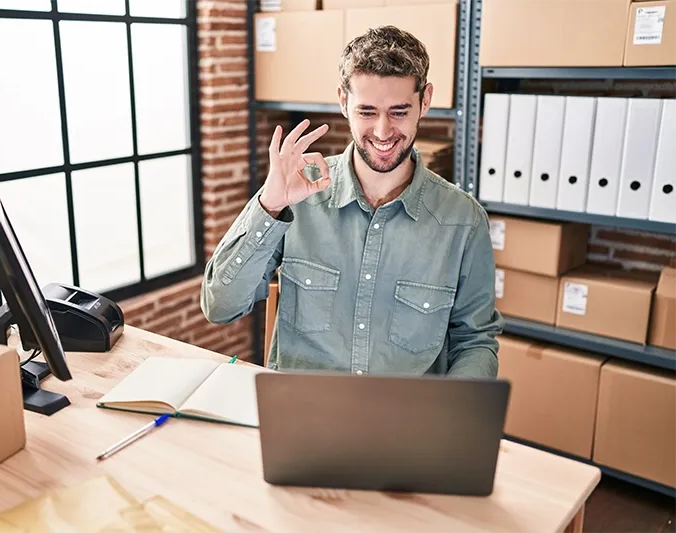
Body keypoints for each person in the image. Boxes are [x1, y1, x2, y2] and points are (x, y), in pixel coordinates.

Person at [200, 25, 503, 378]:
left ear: (426, 101)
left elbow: (475, 341)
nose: (383, 132)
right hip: (303, 414)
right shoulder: (297, 194)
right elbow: (219, 306)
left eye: (399, 112)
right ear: (344, 102)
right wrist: (269, 204)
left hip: (404, 423)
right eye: (367, 112)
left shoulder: (464, 221)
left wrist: (450, 416)